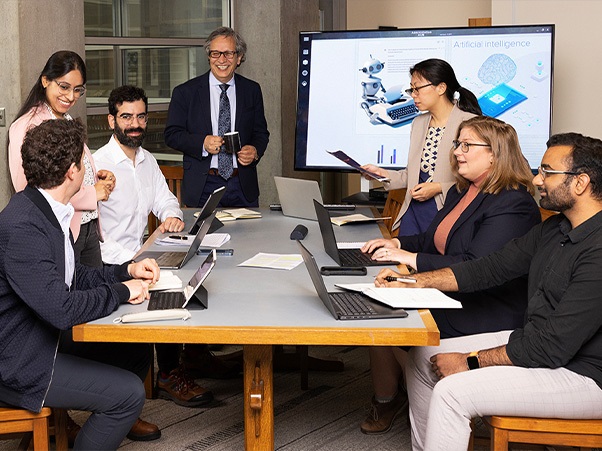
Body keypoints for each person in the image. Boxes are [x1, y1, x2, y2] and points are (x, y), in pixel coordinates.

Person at [375, 132, 602, 450]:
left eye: (547, 172)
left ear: (581, 183)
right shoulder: (556, 228)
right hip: (545, 350)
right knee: (424, 359)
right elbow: (489, 267)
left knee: (452, 393)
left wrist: (469, 361)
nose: (537, 180)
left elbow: (551, 346)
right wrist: (414, 281)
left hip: (587, 377)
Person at [358, 116, 541, 434]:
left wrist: (408, 259)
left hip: (486, 308)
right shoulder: (463, 191)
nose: (457, 151)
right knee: (378, 312)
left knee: (399, 328)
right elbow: (434, 240)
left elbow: (476, 266)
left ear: (495, 154)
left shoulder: (514, 203)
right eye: (458, 143)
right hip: (450, 293)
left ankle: (432, 432)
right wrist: (397, 242)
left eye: (467, 145)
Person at [0, 118, 160, 450]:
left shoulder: (46, 208)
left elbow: (76, 276)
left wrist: (126, 272)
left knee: (137, 351)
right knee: (128, 395)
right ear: (73, 172)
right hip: (20, 360)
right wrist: (120, 293)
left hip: (44, 338)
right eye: (84, 164)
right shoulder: (24, 226)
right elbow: (61, 308)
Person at [94, 85, 214, 408]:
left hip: (140, 258)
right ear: (111, 121)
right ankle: (168, 374)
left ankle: (179, 366)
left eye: (141, 117)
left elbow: (166, 201)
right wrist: (134, 262)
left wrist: (172, 217)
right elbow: (94, 238)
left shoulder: (147, 162)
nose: (135, 124)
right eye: (126, 117)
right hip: (108, 264)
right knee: (167, 287)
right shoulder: (96, 166)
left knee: (188, 277)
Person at [8, 50, 115, 267]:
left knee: (96, 292)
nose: (70, 96)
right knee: (71, 297)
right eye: (64, 87)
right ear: (45, 80)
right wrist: (91, 194)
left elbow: (70, 168)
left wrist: (96, 176)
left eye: (78, 90)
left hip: (87, 227)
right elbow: (29, 190)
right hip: (60, 229)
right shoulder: (27, 126)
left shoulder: (64, 118)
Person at [362, 58, 482, 235]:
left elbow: (483, 181)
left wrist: (440, 187)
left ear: (441, 88)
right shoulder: (418, 123)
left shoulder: (470, 124)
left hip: (449, 211)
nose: (413, 95)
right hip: (414, 210)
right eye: (412, 89)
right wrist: (383, 175)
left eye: (417, 89)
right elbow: (413, 175)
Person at [164, 26, 270, 208]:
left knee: (249, 236)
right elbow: (172, 135)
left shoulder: (252, 90)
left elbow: (261, 133)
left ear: (239, 58)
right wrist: (202, 143)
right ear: (208, 57)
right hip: (203, 186)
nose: (222, 60)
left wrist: (255, 151)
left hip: (243, 185)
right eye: (215, 54)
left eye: (228, 53)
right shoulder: (185, 92)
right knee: (205, 237)